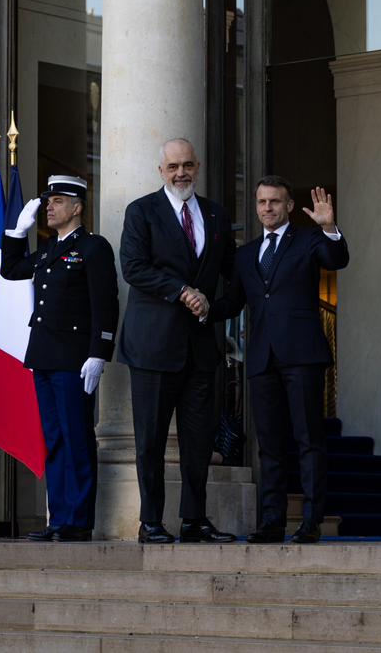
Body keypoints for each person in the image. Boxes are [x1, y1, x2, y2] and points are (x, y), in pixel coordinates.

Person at [210, 177, 348, 544]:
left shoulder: (308, 239)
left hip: (302, 355)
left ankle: (310, 521)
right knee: (269, 444)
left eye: (274, 201)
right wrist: (200, 304)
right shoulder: (245, 254)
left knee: (308, 440)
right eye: (261, 202)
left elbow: (338, 259)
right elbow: (234, 302)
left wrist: (329, 227)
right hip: (261, 357)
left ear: (288, 206)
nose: (267, 208)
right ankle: (271, 521)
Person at [118, 138, 237, 544]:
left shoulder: (217, 216)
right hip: (152, 347)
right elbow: (133, 268)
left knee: (198, 443)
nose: (181, 173)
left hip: (201, 348)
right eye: (173, 167)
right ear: (161, 171)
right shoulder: (142, 212)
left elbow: (234, 280)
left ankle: (193, 520)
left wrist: (212, 308)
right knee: (150, 441)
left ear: (198, 166)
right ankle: (150, 521)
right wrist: (181, 290)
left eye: (187, 165)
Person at [2, 175, 119, 542]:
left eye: (56, 200)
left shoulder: (93, 247)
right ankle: (59, 518)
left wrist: (99, 352)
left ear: (77, 207)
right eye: (47, 201)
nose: (48, 207)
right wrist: (17, 233)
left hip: (74, 358)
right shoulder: (50, 250)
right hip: (44, 356)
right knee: (53, 439)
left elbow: (106, 303)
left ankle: (78, 521)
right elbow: (11, 270)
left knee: (76, 437)